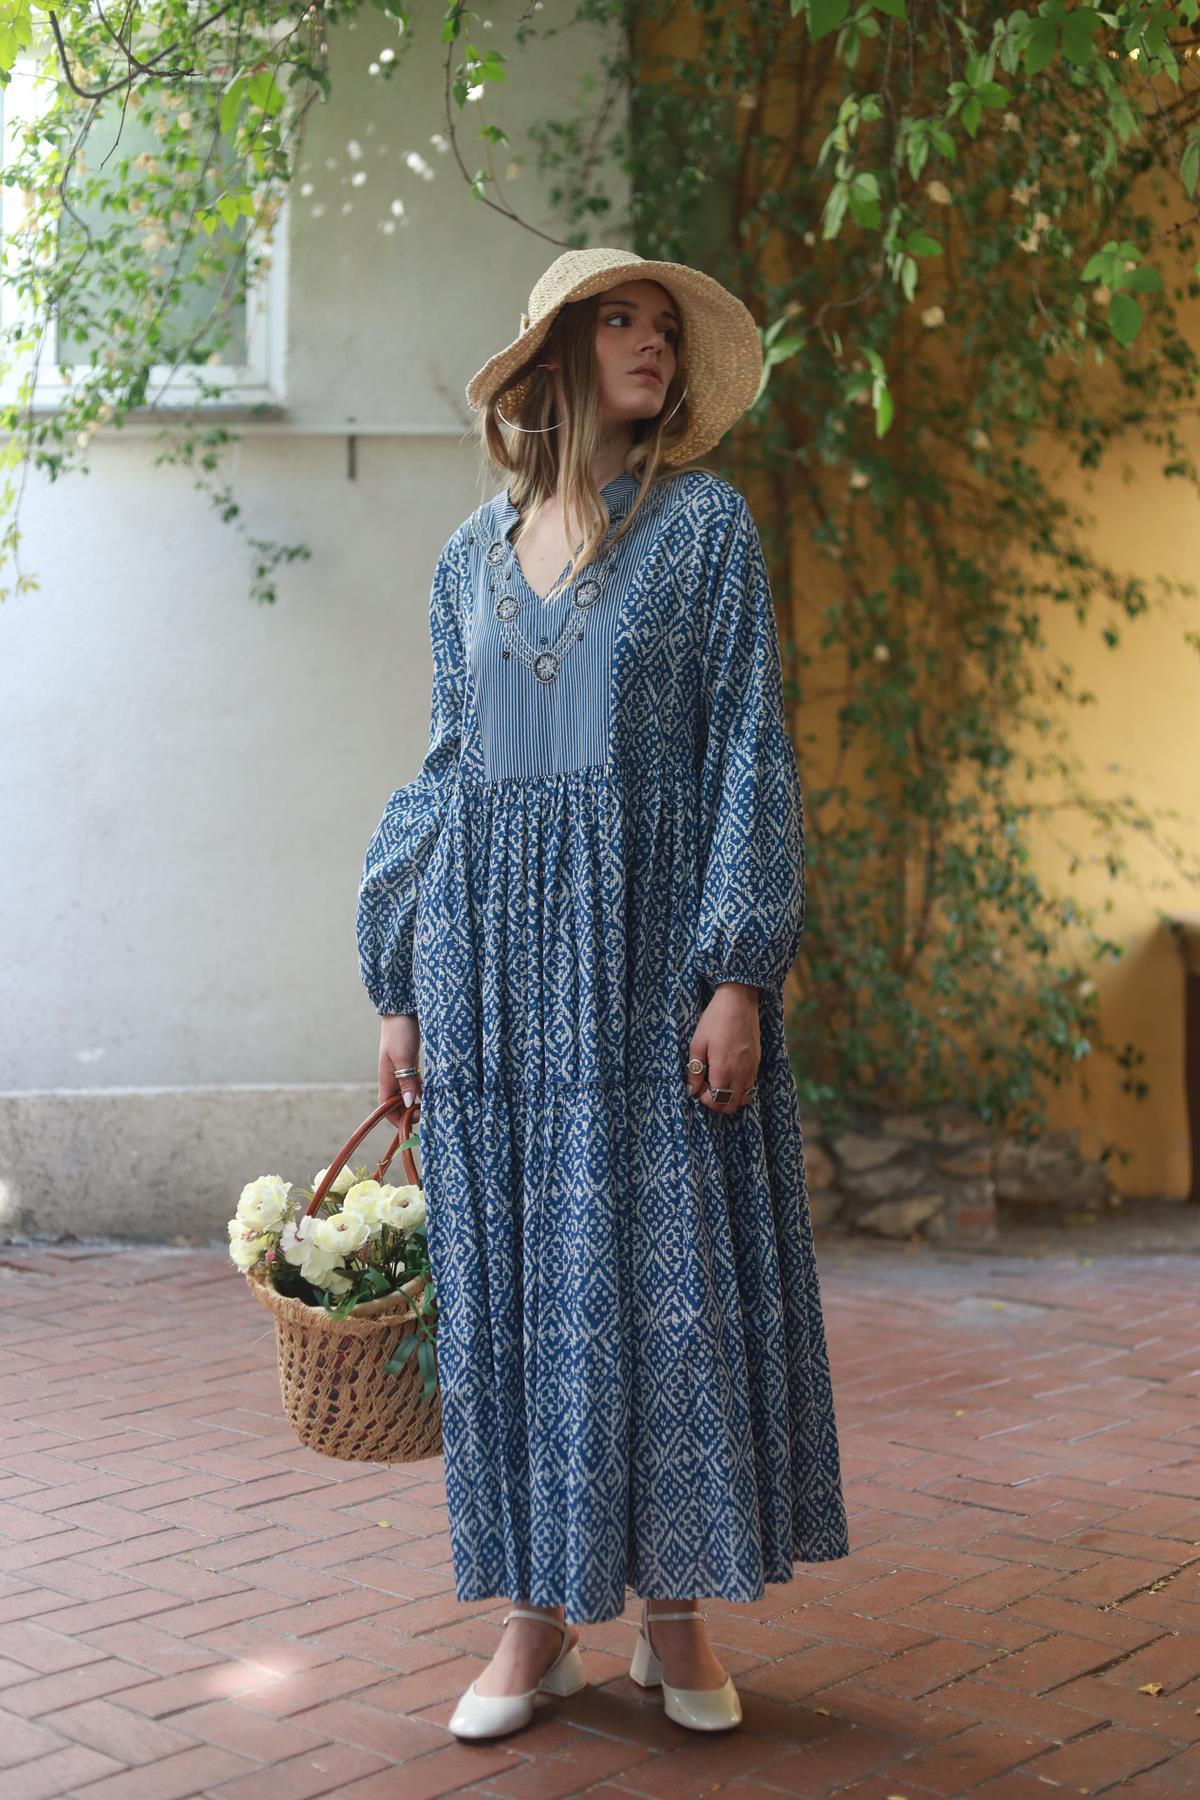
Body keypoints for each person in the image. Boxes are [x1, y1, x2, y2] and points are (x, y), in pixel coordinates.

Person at [355, 246, 849, 1740]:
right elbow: (450, 771)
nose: (650, 348)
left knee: (660, 1290)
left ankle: (676, 1622)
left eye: (662, 330)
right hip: (494, 985)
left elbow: (748, 756)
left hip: (648, 975)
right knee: (517, 1301)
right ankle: (535, 1627)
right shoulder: (463, 565)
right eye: (617, 323)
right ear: (555, 363)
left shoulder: (704, 535)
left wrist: (737, 972)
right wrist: (398, 986)